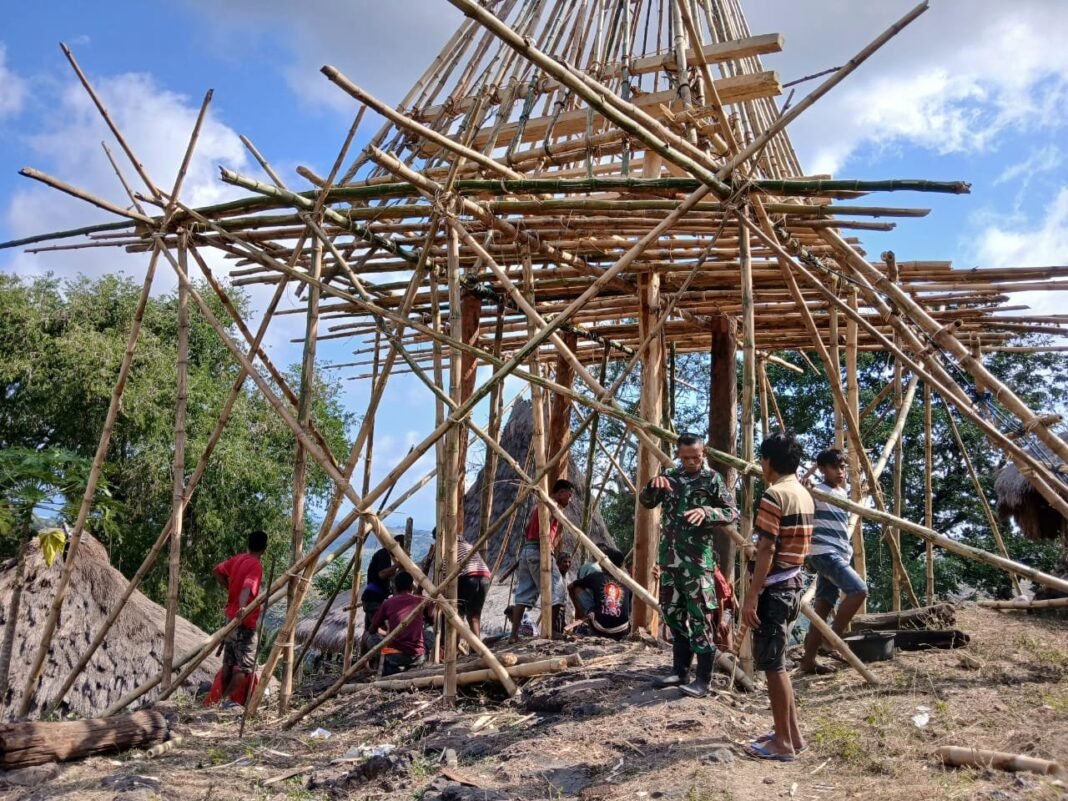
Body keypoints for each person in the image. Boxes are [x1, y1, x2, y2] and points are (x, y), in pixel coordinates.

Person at [640, 432, 738, 698]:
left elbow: (732, 512)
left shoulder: (712, 479)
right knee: (672, 613)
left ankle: (702, 680)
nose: (691, 462)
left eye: (695, 457)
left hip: (698, 563)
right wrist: (652, 486)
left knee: (700, 618)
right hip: (670, 561)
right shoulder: (670, 478)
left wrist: (708, 512)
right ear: (678, 455)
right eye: (685, 458)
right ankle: (680, 670)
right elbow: (646, 502)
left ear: (703, 453)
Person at [742, 432, 814, 761]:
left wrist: (753, 594)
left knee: (774, 666)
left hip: (775, 589)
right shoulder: (803, 494)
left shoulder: (774, 495)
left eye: (762, 460)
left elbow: (768, 547)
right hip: (793, 584)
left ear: (768, 462)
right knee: (779, 663)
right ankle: (793, 735)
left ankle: (783, 742)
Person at [799, 448, 868, 675]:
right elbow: (803, 503)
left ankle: (808, 660)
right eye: (834, 467)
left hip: (837, 553)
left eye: (843, 467)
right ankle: (832, 638)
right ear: (822, 470)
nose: (840, 472)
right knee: (858, 590)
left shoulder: (840, 493)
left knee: (823, 606)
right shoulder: (817, 492)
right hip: (824, 553)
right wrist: (805, 490)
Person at [508, 479, 574, 643]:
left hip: (527, 550)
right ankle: (550, 630)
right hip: (539, 550)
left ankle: (513, 635)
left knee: (523, 593)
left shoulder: (537, 506)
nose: (570, 500)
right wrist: (546, 547)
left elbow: (526, 528)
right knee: (558, 590)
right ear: (560, 493)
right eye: (569, 495)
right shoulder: (551, 507)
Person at [213, 529, 268, 702]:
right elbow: (247, 587)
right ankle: (225, 701)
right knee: (244, 668)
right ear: (264, 548)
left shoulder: (238, 559)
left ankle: (221, 699)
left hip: (230, 619)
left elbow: (217, 570)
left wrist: (228, 589)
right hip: (245, 622)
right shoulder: (255, 565)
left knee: (228, 663)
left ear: (248, 544)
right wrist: (243, 607)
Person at [360, 571, 428, 676]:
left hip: (396, 656)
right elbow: (431, 617)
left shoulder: (388, 603)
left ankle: (378, 666)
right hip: (419, 656)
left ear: (395, 587)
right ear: (411, 586)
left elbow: (372, 629)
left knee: (370, 638)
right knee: (428, 630)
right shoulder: (420, 600)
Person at [570, 547, 631, 640]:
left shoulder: (596, 576)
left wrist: (578, 609)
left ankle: (587, 618)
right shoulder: (627, 582)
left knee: (577, 588)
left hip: (600, 627)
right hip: (622, 628)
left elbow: (571, 586)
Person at [362, 534, 405, 632]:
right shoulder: (384, 554)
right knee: (381, 630)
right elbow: (382, 574)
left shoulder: (386, 555)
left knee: (370, 631)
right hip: (373, 600)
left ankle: (366, 645)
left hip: (374, 599)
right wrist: (397, 565)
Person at [457, 538, 493, 638]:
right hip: (485, 578)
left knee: (457, 613)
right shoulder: (468, 546)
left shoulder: (449, 548)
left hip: (469, 577)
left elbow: (445, 572)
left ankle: (454, 646)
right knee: (474, 616)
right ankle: (476, 648)